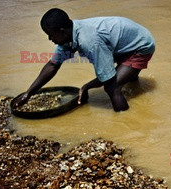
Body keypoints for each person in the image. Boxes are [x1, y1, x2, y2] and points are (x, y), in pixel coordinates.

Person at [14, 8, 155, 112]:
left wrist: (86, 86)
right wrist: (29, 93)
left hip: (140, 45)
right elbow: (53, 65)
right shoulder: (67, 37)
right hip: (122, 42)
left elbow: (107, 77)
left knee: (112, 87)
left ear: (62, 31)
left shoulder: (89, 41)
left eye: (51, 35)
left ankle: (126, 122)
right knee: (123, 77)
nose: (50, 39)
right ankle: (132, 77)